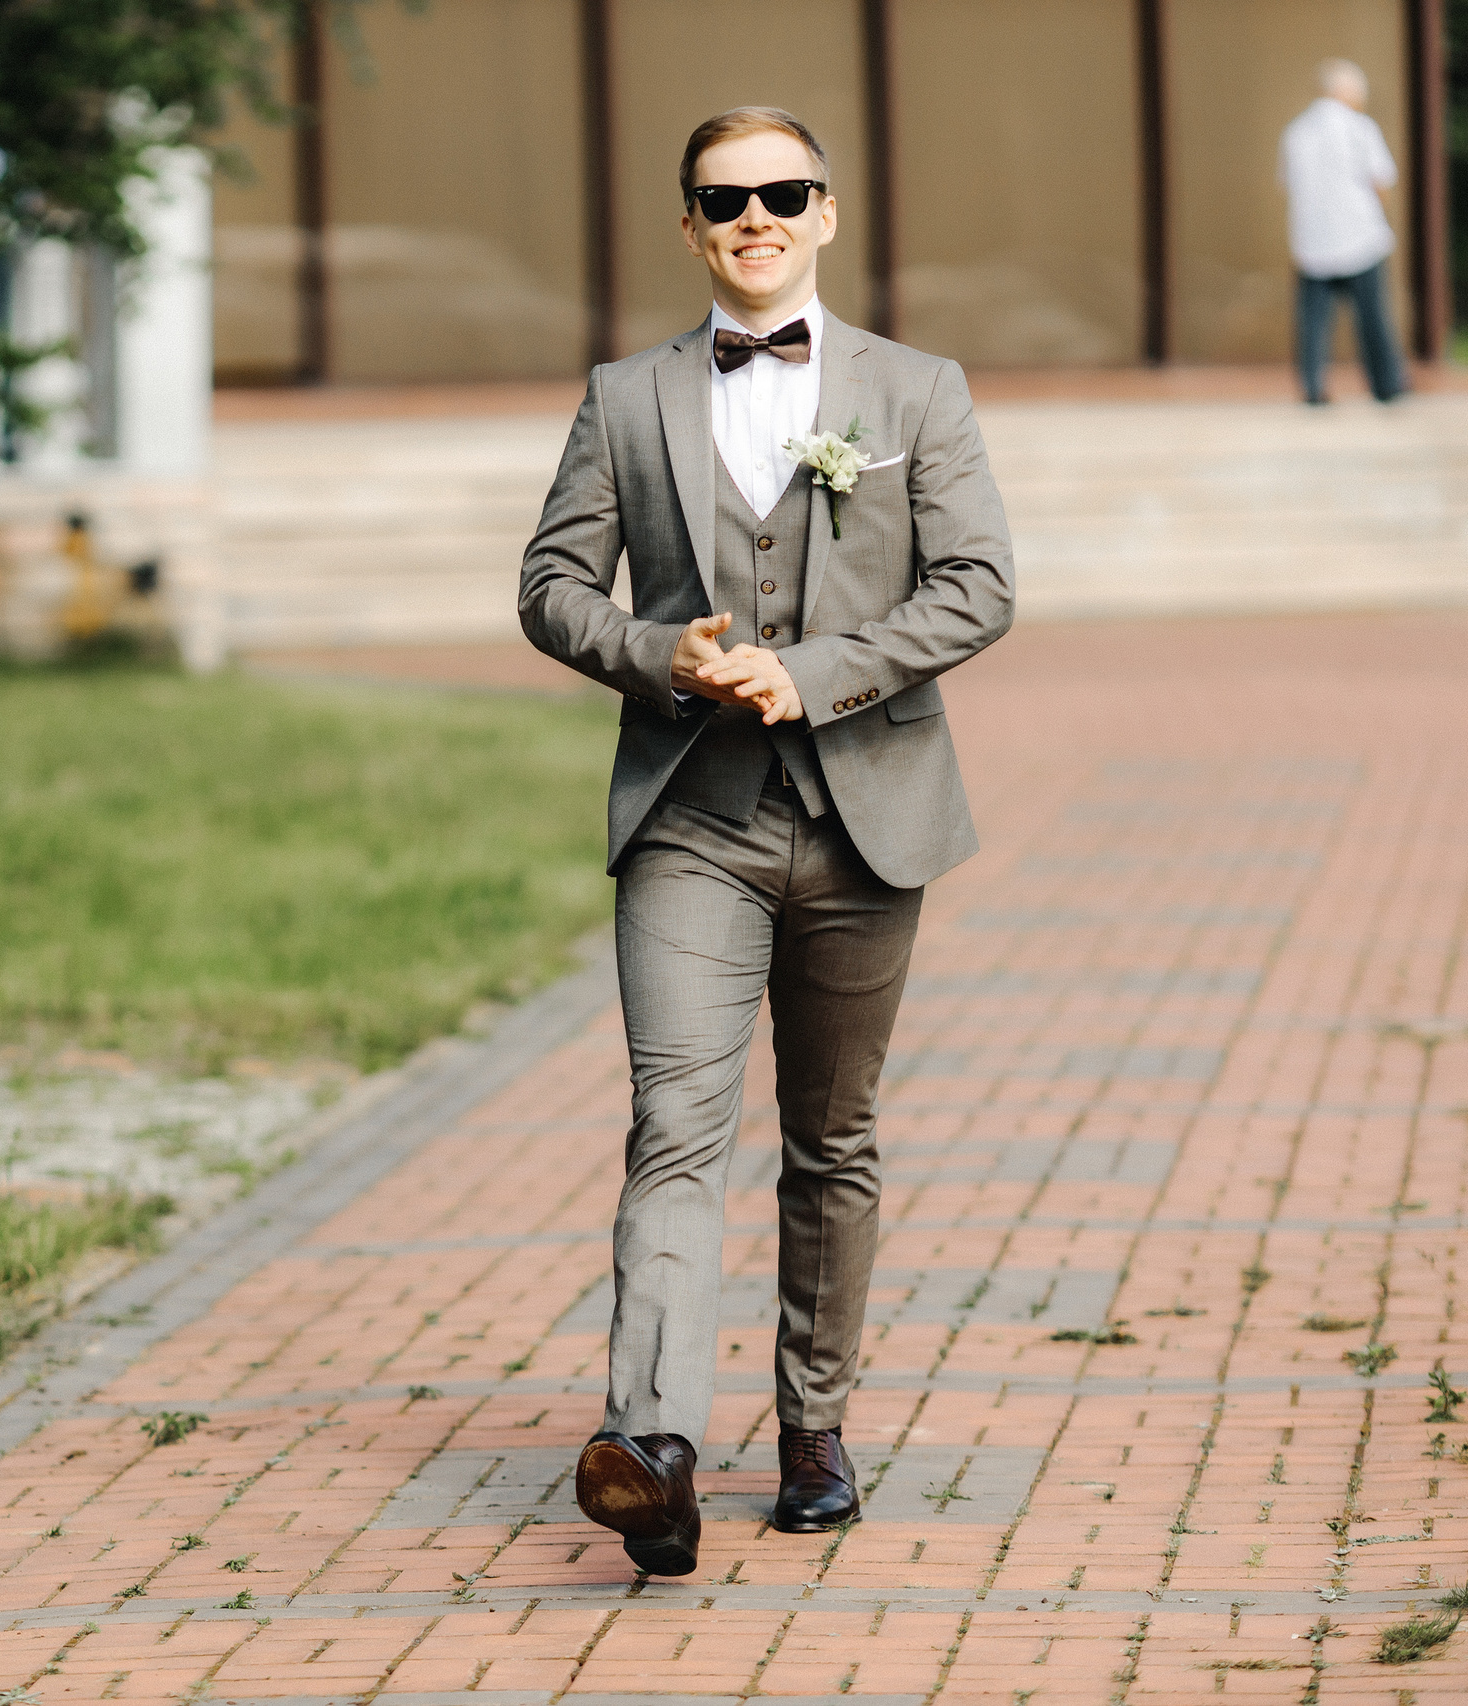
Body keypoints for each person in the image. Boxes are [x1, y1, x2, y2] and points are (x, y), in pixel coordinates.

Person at [517, 106, 1013, 1577]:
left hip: (870, 816)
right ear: (689, 226)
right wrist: (660, 652)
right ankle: (654, 1447)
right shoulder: (625, 396)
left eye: (782, 192)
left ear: (826, 213)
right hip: (692, 819)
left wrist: (820, 669)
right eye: (725, 199)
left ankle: (813, 1426)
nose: (756, 216)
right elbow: (551, 584)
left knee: (832, 1135)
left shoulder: (917, 390)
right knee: (676, 1122)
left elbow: (980, 587)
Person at [1280, 59, 1405, 404]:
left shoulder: (1297, 131)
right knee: (1372, 317)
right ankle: (1386, 384)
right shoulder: (1359, 128)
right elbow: (1382, 181)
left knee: (1313, 322)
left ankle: (1312, 386)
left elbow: (1289, 184)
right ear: (1346, 91)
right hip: (1359, 236)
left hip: (1312, 241)